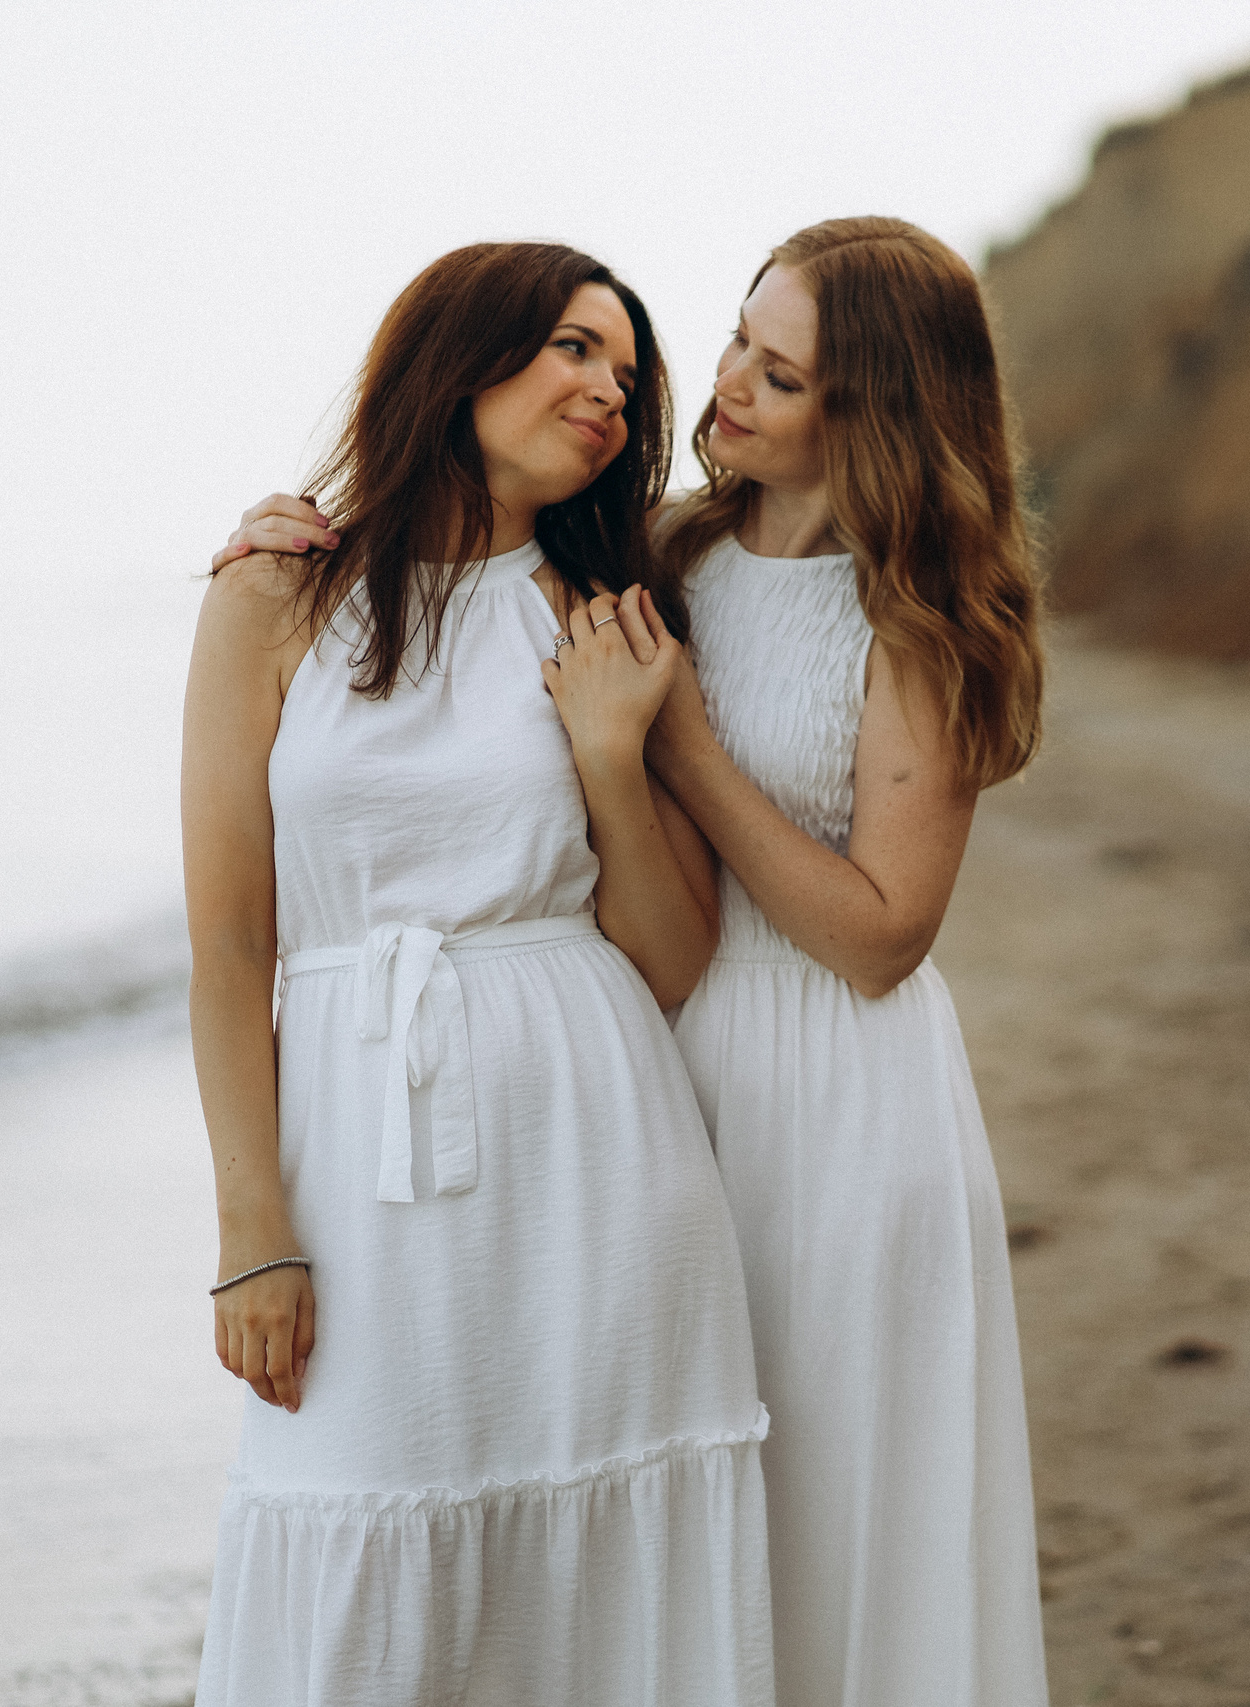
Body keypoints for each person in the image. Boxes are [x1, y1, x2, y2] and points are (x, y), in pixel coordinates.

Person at [223, 216, 1050, 1707]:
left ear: (866, 420)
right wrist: (300, 525)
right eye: (736, 337)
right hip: (647, 1075)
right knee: (664, 1537)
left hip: (831, 1099)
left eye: (777, 373)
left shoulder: (921, 616)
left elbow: (879, 937)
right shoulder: (661, 552)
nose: (718, 383)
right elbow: (460, 610)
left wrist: (669, 739)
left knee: (829, 1525)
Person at [182, 241, 772, 1706]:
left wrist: (609, 759)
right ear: (462, 357)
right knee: (359, 1531)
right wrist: (254, 1227)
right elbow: (230, 945)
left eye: (629, 378)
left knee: (591, 1574)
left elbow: (675, 955)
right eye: (578, 349)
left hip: (591, 1141)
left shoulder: (608, 619)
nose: (610, 396)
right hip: (354, 1138)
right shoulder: (273, 596)